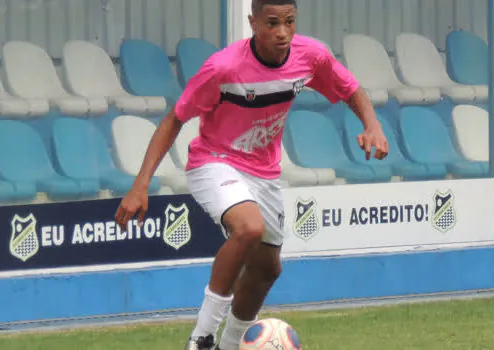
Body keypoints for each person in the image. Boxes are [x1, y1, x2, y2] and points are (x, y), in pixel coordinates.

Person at [114, 0, 389, 348]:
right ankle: (202, 337)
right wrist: (141, 184)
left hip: (264, 173)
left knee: (267, 269)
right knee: (249, 228)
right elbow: (174, 119)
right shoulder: (223, 68)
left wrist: (372, 124)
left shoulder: (311, 56)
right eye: (272, 23)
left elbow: (351, 89)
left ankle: (231, 344)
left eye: (289, 22)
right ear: (253, 23)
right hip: (213, 162)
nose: (282, 32)